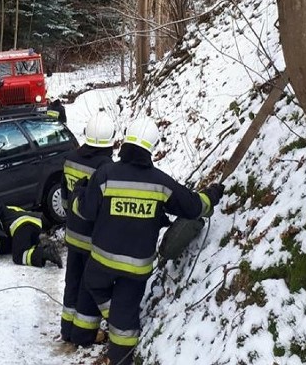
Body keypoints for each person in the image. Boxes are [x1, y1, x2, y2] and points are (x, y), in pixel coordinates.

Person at [69, 117, 225, 365]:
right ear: (151, 147)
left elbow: (85, 211)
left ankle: (115, 319)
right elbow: (193, 207)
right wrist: (212, 196)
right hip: (136, 268)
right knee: (126, 318)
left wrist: (78, 192)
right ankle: (121, 358)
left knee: (94, 285)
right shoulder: (160, 182)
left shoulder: (106, 174)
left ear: (125, 142)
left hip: (101, 262)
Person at [59, 110, 116, 343]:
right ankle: (83, 334)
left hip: (73, 234)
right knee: (87, 285)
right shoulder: (106, 168)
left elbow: (64, 199)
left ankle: (66, 329)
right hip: (93, 239)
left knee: (72, 281)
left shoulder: (70, 159)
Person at [0, 204, 62, 268]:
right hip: (34, 224)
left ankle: (45, 253)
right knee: (25, 250)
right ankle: (45, 250)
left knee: (19, 256)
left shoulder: (0, 210)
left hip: (21, 225)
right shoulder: (11, 210)